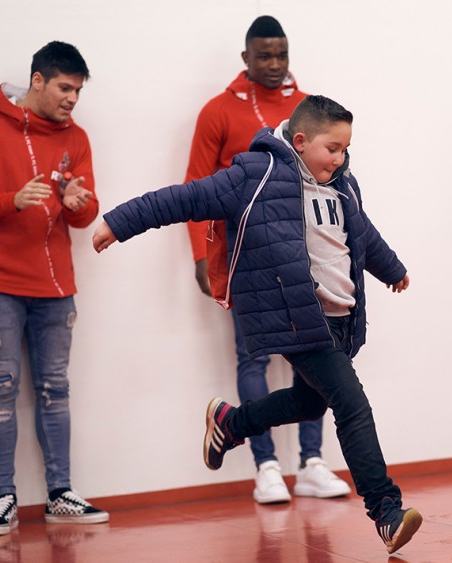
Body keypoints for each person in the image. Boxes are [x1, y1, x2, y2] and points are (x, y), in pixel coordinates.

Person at [92, 95, 421, 554]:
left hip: (340, 319)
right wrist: (117, 222)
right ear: (301, 141)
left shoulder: (343, 184)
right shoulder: (255, 174)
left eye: (346, 149)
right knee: (351, 403)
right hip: (297, 319)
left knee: (310, 403)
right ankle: (385, 511)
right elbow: (183, 198)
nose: (341, 158)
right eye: (333, 148)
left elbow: (360, 232)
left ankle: (231, 422)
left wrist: (392, 269)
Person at [184, 15, 350, 505]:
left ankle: (313, 463)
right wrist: (199, 255)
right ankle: (266, 466)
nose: (275, 64)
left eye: (282, 54)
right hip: (247, 258)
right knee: (253, 358)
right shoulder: (217, 111)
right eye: (264, 56)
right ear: (246, 59)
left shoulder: (307, 109)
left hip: (308, 256)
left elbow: (332, 178)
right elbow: (196, 187)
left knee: (316, 357)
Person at [0, 41, 108, 536]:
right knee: (0, 390)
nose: (72, 99)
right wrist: (11, 201)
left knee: (55, 390)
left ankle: (60, 493)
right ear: (37, 81)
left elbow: (83, 215)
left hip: (56, 287)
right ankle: (4, 498)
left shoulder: (76, 137)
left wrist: (78, 202)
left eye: (78, 91)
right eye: (65, 88)